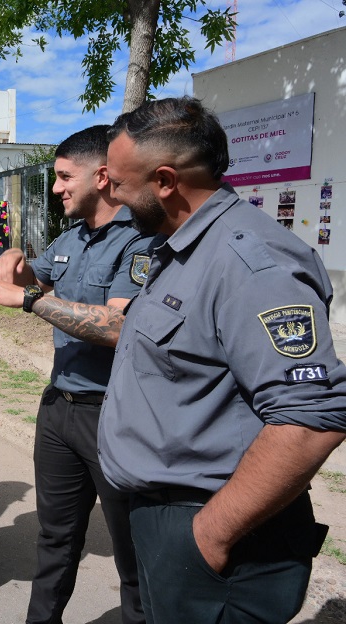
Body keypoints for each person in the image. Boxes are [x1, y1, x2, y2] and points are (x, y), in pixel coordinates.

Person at [98, 96, 346, 622]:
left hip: (217, 533)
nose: (112, 197)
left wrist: (208, 537)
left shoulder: (249, 261)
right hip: (169, 517)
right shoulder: (182, 247)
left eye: (118, 184)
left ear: (165, 181)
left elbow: (310, 418)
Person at [0, 126, 159, 624]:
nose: (56, 187)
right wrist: (13, 259)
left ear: (101, 176)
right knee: (55, 539)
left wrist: (30, 300)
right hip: (59, 410)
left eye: (63, 177)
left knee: (132, 554)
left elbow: (118, 326)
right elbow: (33, 276)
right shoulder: (71, 236)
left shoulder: (141, 240)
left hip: (114, 418)